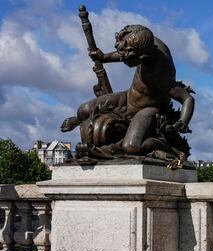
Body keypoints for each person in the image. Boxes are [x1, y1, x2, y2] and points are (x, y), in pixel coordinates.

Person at [61, 25, 194, 163]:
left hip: (149, 109)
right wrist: (104, 57)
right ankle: (79, 119)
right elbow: (126, 52)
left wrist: (182, 122)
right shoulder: (144, 40)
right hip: (128, 97)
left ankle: (167, 148)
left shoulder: (159, 74)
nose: (122, 59)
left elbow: (187, 99)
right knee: (84, 110)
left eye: (127, 59)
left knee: (131, 147)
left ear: (142, 57)